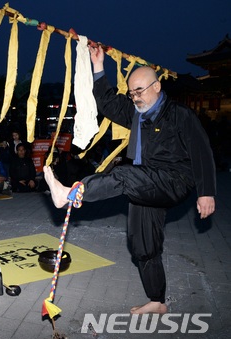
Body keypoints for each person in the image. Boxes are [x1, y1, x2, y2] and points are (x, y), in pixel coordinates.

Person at [44, 44, 216, 315]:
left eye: (140, 91)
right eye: (132, 92)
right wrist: (98, 66)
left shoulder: (179, 115)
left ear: (157, 87)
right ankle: (157, 301)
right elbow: (108, 102)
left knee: (122, 174)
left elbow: (202, 151)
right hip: (145, 182)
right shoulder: (135, 112)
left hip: (173, 180)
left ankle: (71, 194)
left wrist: (206, 192)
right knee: (142, 243)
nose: (135, 97)